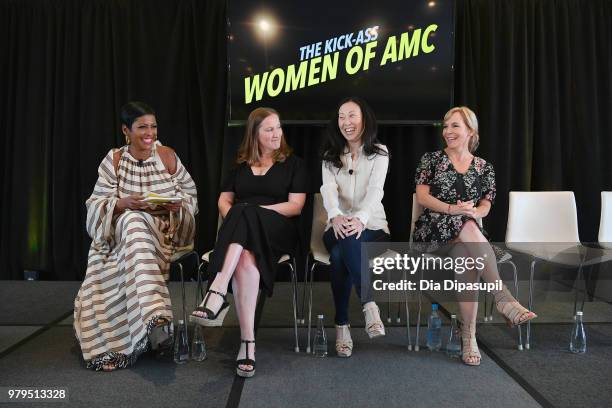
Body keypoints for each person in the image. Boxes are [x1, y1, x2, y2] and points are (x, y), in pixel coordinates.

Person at [74, 101, 198, 371]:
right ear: (126, 131)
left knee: (136, 223)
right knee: (131, 221)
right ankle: (154, 325)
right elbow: (95, 205)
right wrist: (122, 204)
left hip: (162, 232)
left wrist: (177, 205)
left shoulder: (167, 156)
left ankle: (153, 326)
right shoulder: (115, 160)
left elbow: (191, 197)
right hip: (120, 238)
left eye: (153, 126)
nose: (149, 132)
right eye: (142, 127)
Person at [413, 106, 536, 366]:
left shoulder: (484, 167)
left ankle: (468, 336)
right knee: (468, 225)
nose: (447, 131)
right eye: (445, 126)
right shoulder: (431, 160)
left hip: (467, 240)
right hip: (433, 230)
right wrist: (453, 209)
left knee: (467, 257)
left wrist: (472, 211)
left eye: (454, 126)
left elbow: (486, 205)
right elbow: (422, 197)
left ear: (471, 131)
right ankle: (503, 298)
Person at [190, 107, 306, 377]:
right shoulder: (240, 165)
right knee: (244, 257)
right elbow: (223, 200)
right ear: (255, 134)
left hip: (279, 230)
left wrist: (252, 213)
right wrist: (238, 218)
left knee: (246, 210)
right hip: (242, 239)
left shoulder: (294, 164)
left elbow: (296, 206)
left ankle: (217, 290)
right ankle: (248, 344)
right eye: (269, 129)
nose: (277, 133)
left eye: (278, 127)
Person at [320, 97, 390, 358]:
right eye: (341, 116)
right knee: (345, 239)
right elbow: (328, 191)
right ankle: (369, 304)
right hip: (337, 226)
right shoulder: (329, 156)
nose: (346, 122)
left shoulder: (379, 153)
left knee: (340, 255)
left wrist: (359, 218)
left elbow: (376, 191)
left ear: (364, 119)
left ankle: (341, 326)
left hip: (373, 227)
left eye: (352, 116)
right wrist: (336, 215)